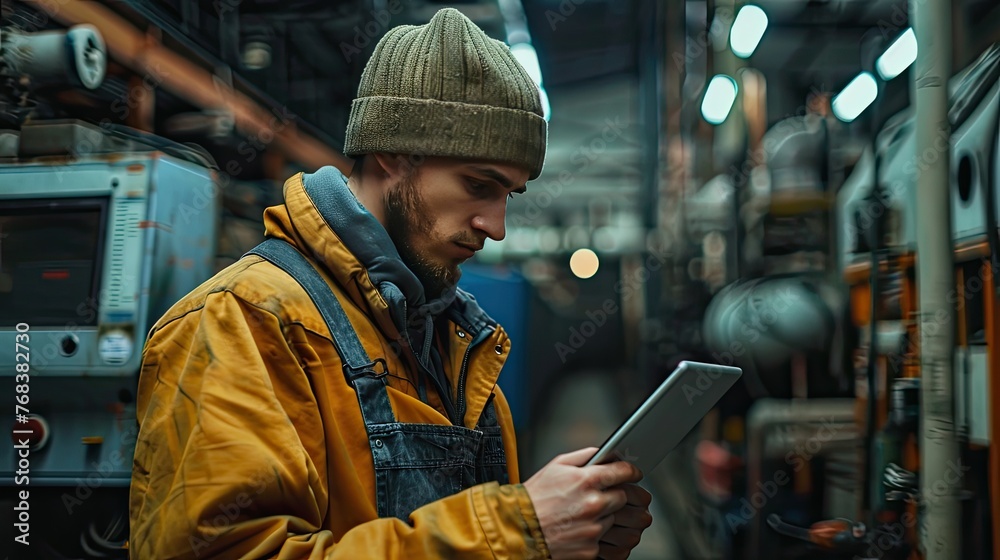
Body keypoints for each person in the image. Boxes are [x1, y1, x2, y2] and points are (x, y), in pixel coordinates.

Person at [129, 7, 652, 559]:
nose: (495, 227)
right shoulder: (243, 322)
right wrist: (512, 533)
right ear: (393, 155)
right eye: (479, 184)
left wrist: (565, 534)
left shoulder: (456, 344)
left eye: (508, 197)